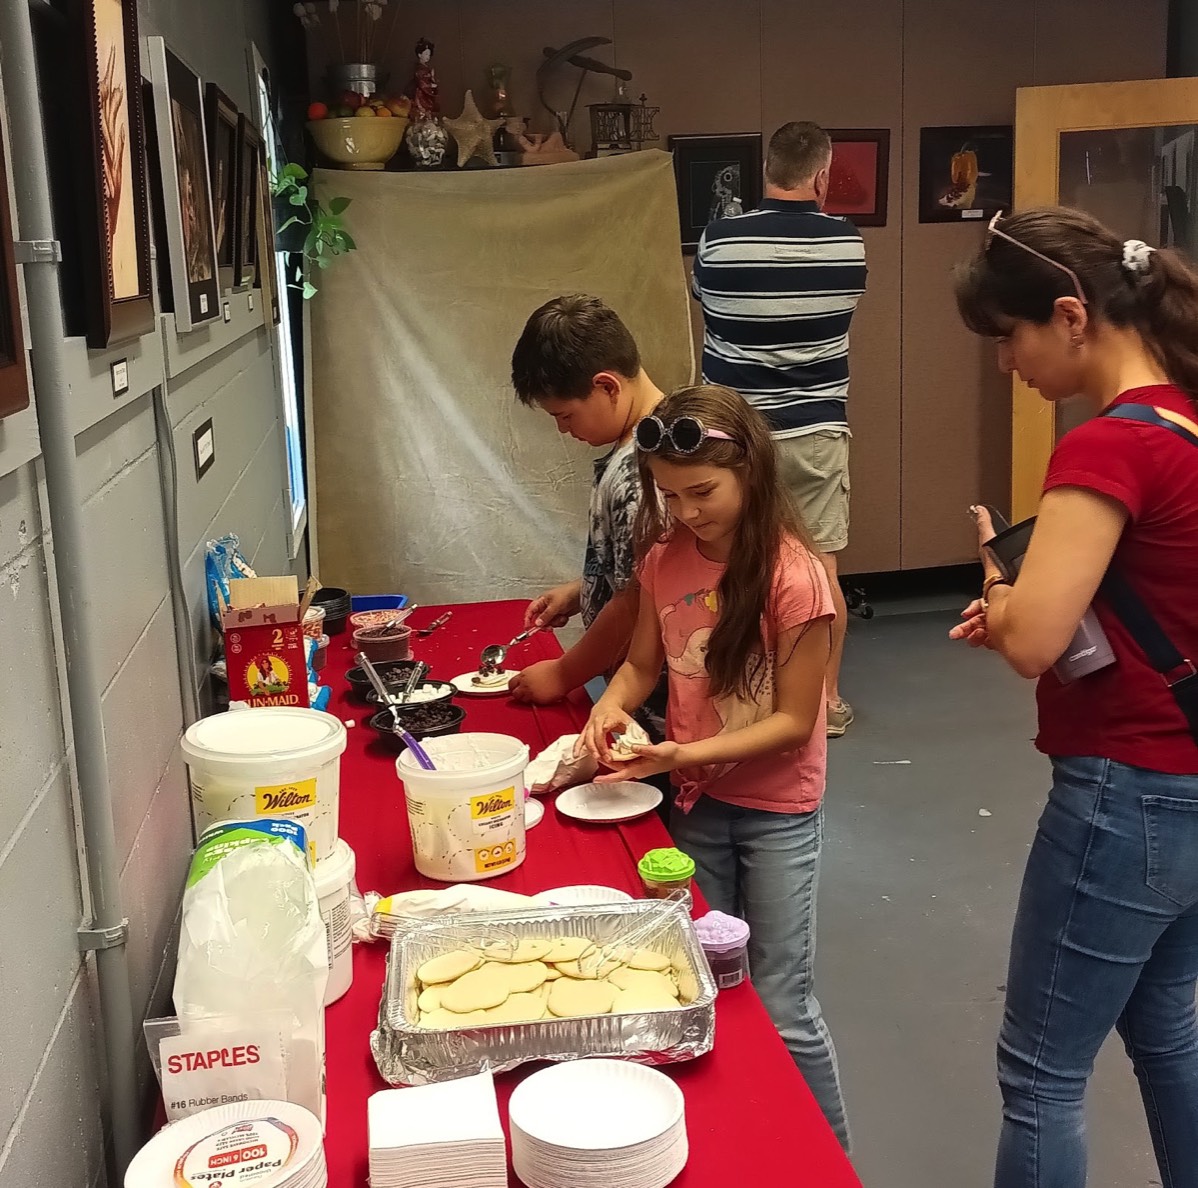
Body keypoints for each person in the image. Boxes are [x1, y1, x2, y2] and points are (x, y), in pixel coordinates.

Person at [951, 206, 1198, 1188]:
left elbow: (1034, 643)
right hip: (1185, 783)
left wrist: (1003, 591)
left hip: (1124, 797)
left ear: (1067, 315)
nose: (1007, 362)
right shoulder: (1186, 421)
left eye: (1006, 338)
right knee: (1168, 1033)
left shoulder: (1108, 446)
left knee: (1041, 1071)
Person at [578, 383, 851, 1150]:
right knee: (702, 979)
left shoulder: (795, 578)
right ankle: (742, 1141)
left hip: (777, 813)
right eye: (670, 495)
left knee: (782, 997)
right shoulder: (665, 559)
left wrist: (679, 755)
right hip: (697, 806)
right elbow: (639, 666)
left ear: (752, 475)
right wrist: (613, 707)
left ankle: (828, 1156)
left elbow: (796, 723)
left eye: (702, 492)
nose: (687, 511)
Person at [691, 121, 867, 737]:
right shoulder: (849, 246)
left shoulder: (718, 241)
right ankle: (825, 705)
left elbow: (708, 303)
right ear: (821, 175)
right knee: (819, 575)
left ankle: (742, 700)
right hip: (816, 432)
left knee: (733, 569)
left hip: (733, 438)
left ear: (768, 169)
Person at [508, 294, 668, 741]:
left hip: (657, 704)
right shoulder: (637, 448)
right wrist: (584, 591)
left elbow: (639, 602)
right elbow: (644, 570)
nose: (562, 429)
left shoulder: (643, 470)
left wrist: (563, 673)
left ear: (608, 386)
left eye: (565, 414)